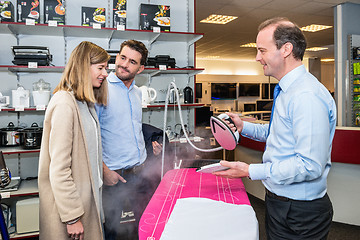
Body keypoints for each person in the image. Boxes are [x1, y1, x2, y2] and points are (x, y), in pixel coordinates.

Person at [214, 17, 336, 240]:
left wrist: (251, 171)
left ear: (286, 49)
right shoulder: (288, 90)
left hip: (300, 212)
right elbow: (278, 134)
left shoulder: (305, 96)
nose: (257, 57)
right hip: (282, 203)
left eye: (262, 50)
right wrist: (243, 126)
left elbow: (309, 166)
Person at [38, 41, 110, 240]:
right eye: (101, 68)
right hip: (71, 212)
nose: (105, 73)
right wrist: (72, 217)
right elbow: (59, 169)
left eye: (106, 68)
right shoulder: (64, 103)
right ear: (83, 66)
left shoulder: (85, 104)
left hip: (87, 203)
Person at [95, 39, 163, 240]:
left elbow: (131, 127)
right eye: (122, 57)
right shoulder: (101, 88)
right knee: (115, 233)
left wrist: (149, 146)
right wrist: (104, 171)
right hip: (114, 177)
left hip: (140, 174)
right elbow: (91, 137)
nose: (124, 64)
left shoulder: (136, 93)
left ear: (141, 68)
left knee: (142, 228)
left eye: (132, 62)